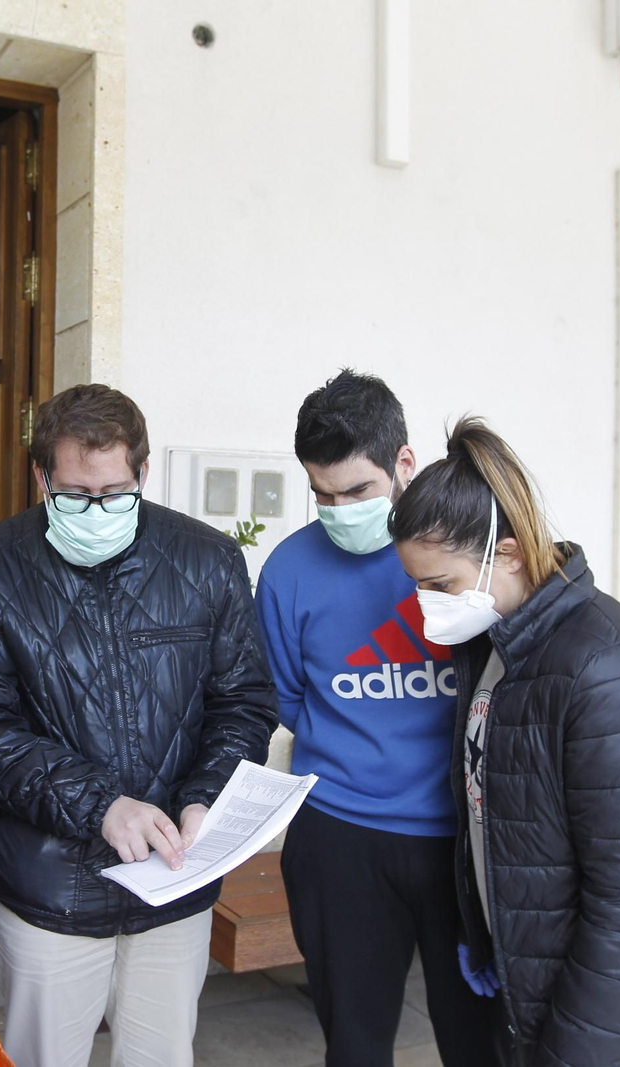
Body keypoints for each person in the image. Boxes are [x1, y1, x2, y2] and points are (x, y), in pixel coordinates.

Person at [0, 384, 280, 1067]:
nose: (96, 511)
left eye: (115, 493)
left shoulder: (205, 560)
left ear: (143, 474)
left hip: (172, 882)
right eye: (73, 494)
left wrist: (202, 797)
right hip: (49, 890)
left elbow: (242, 701)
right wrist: (100, 805)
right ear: (41, 477)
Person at [389, 417, 620, 1067]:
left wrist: (576, 1051)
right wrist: (484, 928)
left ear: (511, 554)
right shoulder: (494, 641)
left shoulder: (607, 666)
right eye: (416, 584)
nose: (424, 604)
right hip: (544, 966)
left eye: (439, 584)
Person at [254, 370, 498, 1066]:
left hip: (462, 842)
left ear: (405, 464)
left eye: (358, 491)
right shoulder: (288, 572)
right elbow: (290, 699)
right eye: (322, 495)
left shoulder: (457, 556)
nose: (340, 509)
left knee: (478, 1042)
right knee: (355, 1045)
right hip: (340, 838)